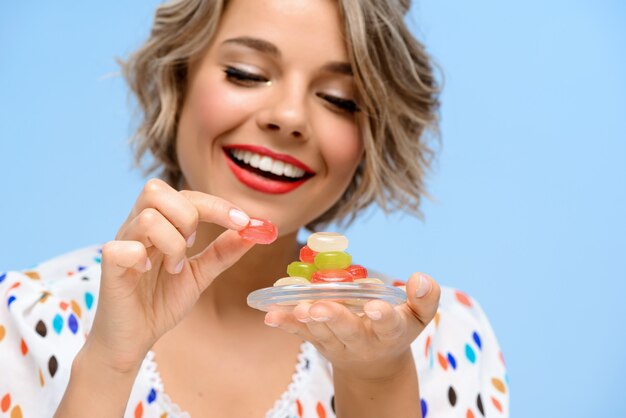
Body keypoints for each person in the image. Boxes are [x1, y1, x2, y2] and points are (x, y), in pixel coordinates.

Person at [0, 0, 510, 417]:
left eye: (338, 99)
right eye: (246, 73)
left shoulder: (442, 339)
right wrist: (109, 364)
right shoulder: (23, 316)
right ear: (177, 80)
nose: (289, 117)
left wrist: (377, 379)